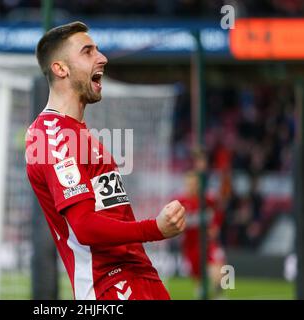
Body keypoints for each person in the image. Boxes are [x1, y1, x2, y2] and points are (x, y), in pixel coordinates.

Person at [26, 21, 186, 300]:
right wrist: (155, 228)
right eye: (87, 52)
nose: (102, 58)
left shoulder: (78, 133)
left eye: (98, 50)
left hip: (139, 275)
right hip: (110, 285)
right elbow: (84, 225)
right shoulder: (52, 135)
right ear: (60, 69)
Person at [175, 171, 226, 299]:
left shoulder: (207, 199)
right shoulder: (180, 202)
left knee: (218, 272)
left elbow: (219, 211)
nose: (191, 186)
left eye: (194, 183)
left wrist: (215, 225)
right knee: (199, 283)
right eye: (189, 184)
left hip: (208, 243)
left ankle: (219, 296)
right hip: (190, 246)